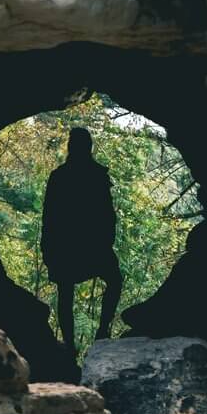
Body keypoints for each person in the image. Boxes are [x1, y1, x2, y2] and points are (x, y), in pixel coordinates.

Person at [41, 128, 123, 355]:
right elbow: (107, 213)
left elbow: (49, 215)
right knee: (111, 281)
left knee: (66, 290)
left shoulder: (61, 176)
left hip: (70, 245)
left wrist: (47, 247)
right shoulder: (96, 175)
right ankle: (100, 332)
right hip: (89, 245)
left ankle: (72, 343)